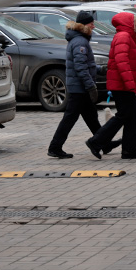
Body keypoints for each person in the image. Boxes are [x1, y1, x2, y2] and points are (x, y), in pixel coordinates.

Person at [47, 11, 120, 159]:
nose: (93, 25)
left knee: (91, 117)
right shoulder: (80, 41)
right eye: (91, 23)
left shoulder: (79, 39)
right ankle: (55, 147)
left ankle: (103, 143)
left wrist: (101, 69)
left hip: (79, 86)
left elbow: (84, 65)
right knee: (70, 118)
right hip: (79, 87)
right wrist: (90, 86)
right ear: (83, 25)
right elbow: (80, 68)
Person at [86, 12, 136, 160]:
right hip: (122, 85)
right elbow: (122, 62)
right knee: (123, 115)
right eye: (135, 23)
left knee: (131, 116)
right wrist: (130, 83)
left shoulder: (127, 36)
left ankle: (129, 150)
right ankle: (95, 142)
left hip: (124, 84)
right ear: (128, 23)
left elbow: (134, 51)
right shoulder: (123, 36)